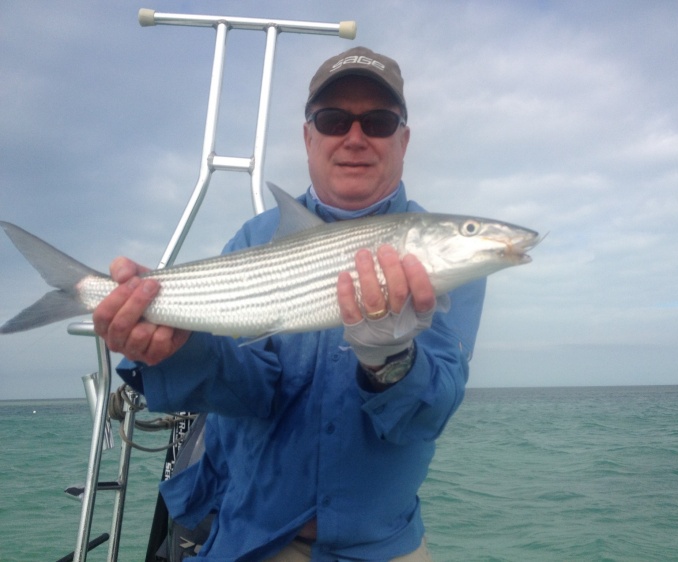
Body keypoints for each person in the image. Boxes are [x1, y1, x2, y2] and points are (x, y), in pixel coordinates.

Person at [93, 46, 486, 561]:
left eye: (379, 121)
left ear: (404, 140)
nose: (355, 137)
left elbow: (426, 417)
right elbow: (248, 389)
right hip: (251, 540)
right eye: (333, 119)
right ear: (308, 136)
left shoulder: (448, 262)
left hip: (381, 546)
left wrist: (391, 361)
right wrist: (172, 349)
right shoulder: (256, 238)